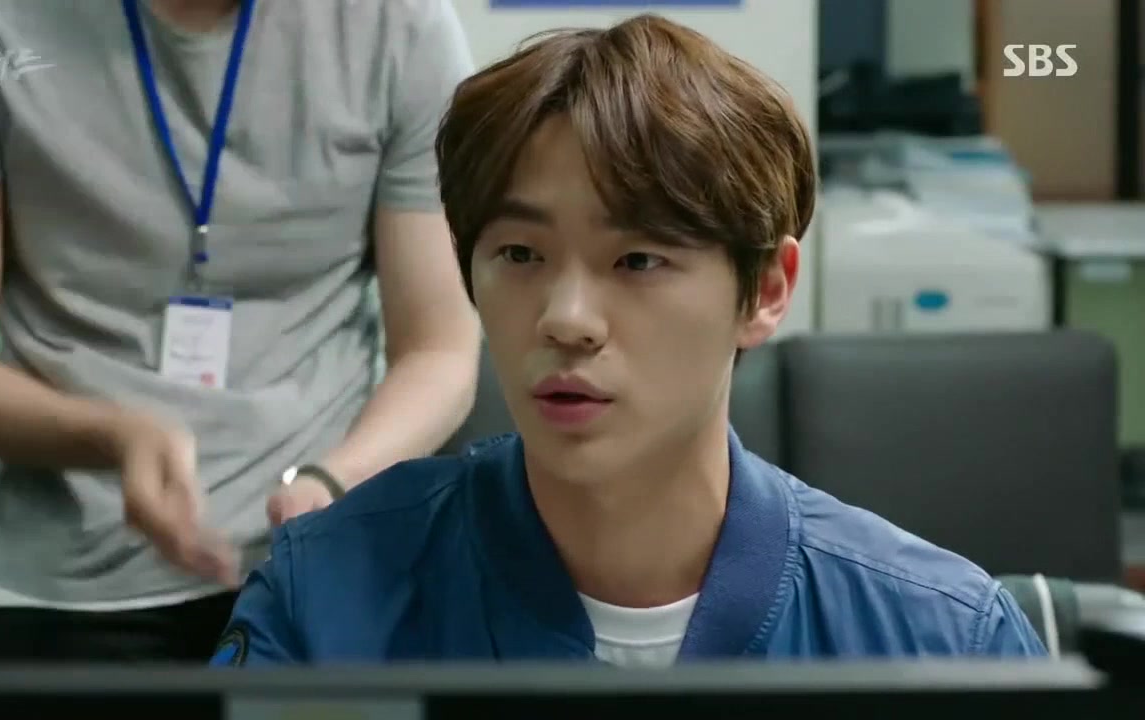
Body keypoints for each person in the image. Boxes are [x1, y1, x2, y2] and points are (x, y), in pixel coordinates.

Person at [210, 14, 1049, 667]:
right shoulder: (328, 599)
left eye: (638, 259)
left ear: (766, 289)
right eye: (520, 254)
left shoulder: (938, 637)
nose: (566, 317)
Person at [0, 0, 480, 661]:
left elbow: (440, 351)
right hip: (62, 589)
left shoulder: (399, 26)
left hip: (319, 567)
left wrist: (334, 483)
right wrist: (115, 435)